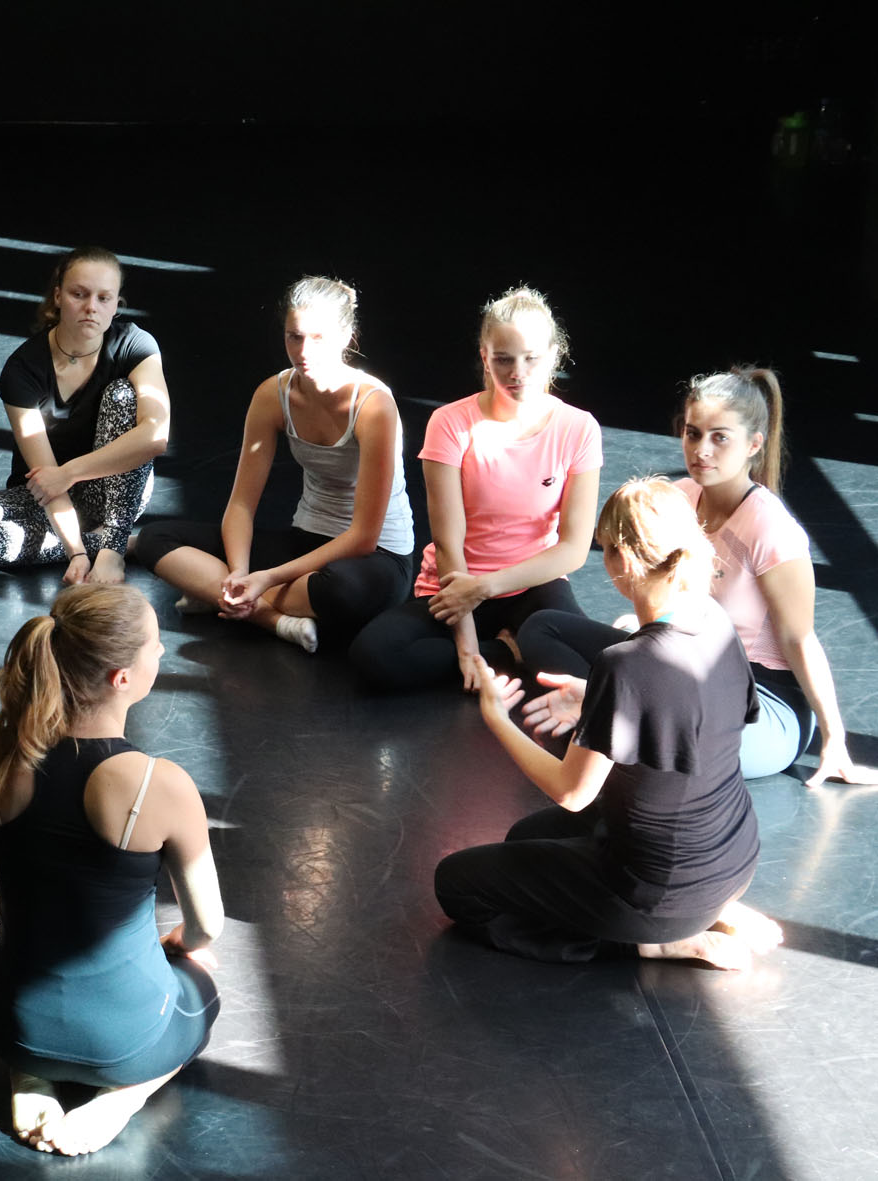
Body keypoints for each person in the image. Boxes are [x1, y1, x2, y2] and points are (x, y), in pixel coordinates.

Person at [435, 478, 782, 969]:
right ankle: (712, 908)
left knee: (456, 884)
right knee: (525, 837)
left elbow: (572, 792)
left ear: (621, 561)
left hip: (657, 893)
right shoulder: (715, 620)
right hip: (732, 857)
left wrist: (499, 719)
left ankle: (652, 941)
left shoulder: (627, 664)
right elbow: (704, 720)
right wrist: (602, 703)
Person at [0, 584, 223, 1155]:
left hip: (14, 1029)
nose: (162, 652)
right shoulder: (158, 783)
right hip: (124, 1041)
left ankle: (30, 1075)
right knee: (202, 983)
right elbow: (207, 926)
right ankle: (123, 1097)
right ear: (122, 677)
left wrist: (50, 926)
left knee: (41, 1013)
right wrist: (178, 947)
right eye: (155, 644)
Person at [515, 368, 876, 786]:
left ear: (753, 445)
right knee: (544, 627)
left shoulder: (771, 529)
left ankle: (606, 714)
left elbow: (800, 639)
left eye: (720, 438)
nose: (701, 450)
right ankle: (608, 712)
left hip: (762, 704)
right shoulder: (682, 497)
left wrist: (834, 740)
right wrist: (647, 630)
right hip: (682, 670)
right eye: (693, 433)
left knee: (664, 741)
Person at [131, 276, 414, 652]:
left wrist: (266, 578)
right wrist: (239, 570)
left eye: (318, 338)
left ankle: (218, 593)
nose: (303, 351)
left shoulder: (374, 405)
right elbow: (241, 504)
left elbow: (364, 536)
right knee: (154, 538)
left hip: (376, 557)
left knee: (340, 590)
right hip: (307, 539)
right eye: (294, 337)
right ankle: (272, 618)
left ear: (346, 337)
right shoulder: (273, 394)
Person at [350, 286, 601, 690]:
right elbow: (448, 543)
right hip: (456, 582)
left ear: (553, 356)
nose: (518, 372)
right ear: (485, 357)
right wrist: (468, 650)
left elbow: (573, 549)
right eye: (503, 359)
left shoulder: (578, 428)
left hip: (532, 584)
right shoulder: (450, 423)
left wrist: (485, 587)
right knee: (375, 655)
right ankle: (506, 652)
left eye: (531, 358)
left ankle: (518, 645)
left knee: (583, 671)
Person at [0, 247, 171, 585]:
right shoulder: (24, 368)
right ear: (58, 297)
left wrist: (69, 473)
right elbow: (45, 476)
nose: (91, 307)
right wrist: (75, 552)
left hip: (114, 493)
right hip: (44, 494)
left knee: (123, 395)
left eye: (104, 298)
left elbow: (155, 435)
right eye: (79, 294)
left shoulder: (135, 345)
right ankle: (120, 544)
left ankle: (112, 547)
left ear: (116, 305)